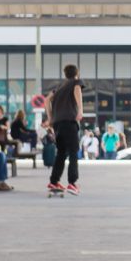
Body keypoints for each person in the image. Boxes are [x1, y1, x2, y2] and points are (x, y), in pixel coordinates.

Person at [45, 64, 84, 195]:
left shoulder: (59, 87)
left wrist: (50, 118)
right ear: (76, 74)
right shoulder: (76, 82)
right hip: (69, 121)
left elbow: (46, 100)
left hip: (58, 124)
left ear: (65, 74)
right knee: (73, 151)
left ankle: (54, 181)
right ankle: (72, 183)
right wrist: (80, 110)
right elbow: (77, 89)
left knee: (61, 153)